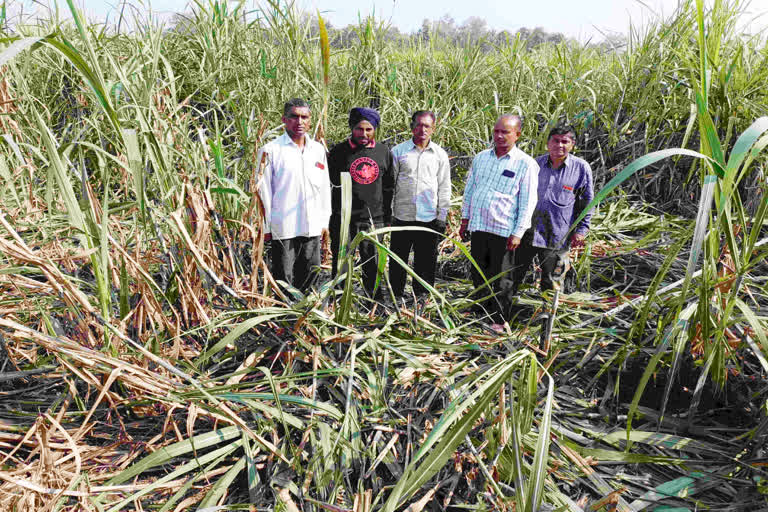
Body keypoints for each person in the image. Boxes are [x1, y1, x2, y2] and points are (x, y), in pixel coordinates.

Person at [458, 114, 538, 331]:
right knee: (479, 272)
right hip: (479, 225)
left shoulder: (525, 164)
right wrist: (465, 219)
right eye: (497, 131)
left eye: (506, 132)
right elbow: (470, 190)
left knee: (502, 277)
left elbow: (528, 201)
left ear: (517, 135)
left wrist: (519, 232)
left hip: (504, 229)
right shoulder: (481, 158)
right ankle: (481, 310)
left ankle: (499, 319)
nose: (500, 136)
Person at [256, 98, 331, 293]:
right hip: (284, 227)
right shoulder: (270, 151)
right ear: (284, 119)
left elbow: (323, 187)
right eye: (294, 117)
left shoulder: (318, 150)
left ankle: (304, 317)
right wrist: (266, 227)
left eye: (304, 117)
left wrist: (324, 222)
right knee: (284, 278)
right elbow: (263, 192)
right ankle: (285, 318)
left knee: (310, 274)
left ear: (310, 120)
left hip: (312, 225)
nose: (299, 122)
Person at [510, 124, 594, 295]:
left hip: (558, 235)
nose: (560, 145)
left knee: (552, 282)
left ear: (573, 145)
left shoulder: (581, 168)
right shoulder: (534, 164)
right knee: (512, 276)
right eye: (555, 141)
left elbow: (587, 201)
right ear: (548, 143)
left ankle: (548, 317)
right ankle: (505, 314)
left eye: (565, 141)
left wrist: (582, 230)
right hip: (527, 232)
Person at [328, 107, 395, 298]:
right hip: (344, 219)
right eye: (359, 129)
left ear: (375, 129)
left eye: (369, 129)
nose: (364, 134)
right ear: (351, 127)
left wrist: (386, 218)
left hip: (373, 220)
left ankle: (373, 302)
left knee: (373, 263)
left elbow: (388, 187)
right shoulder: (339, 152)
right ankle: (339, 301)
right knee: (341, 263)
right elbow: (329, 184)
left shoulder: (383, 152)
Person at [389, 110, 451, 300]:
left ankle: (422, 297)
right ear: (411, 127)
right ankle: (396, 296)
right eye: (419, 125)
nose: (422, 129)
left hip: (428, 218)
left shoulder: (439, 155)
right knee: (398, 259)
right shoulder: (398, 152)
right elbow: (390, 185)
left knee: (426, 261)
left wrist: (442, 216)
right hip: (402, 217)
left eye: (427, 126)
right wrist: (389, 213)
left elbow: (444, 187)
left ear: (433, 129)